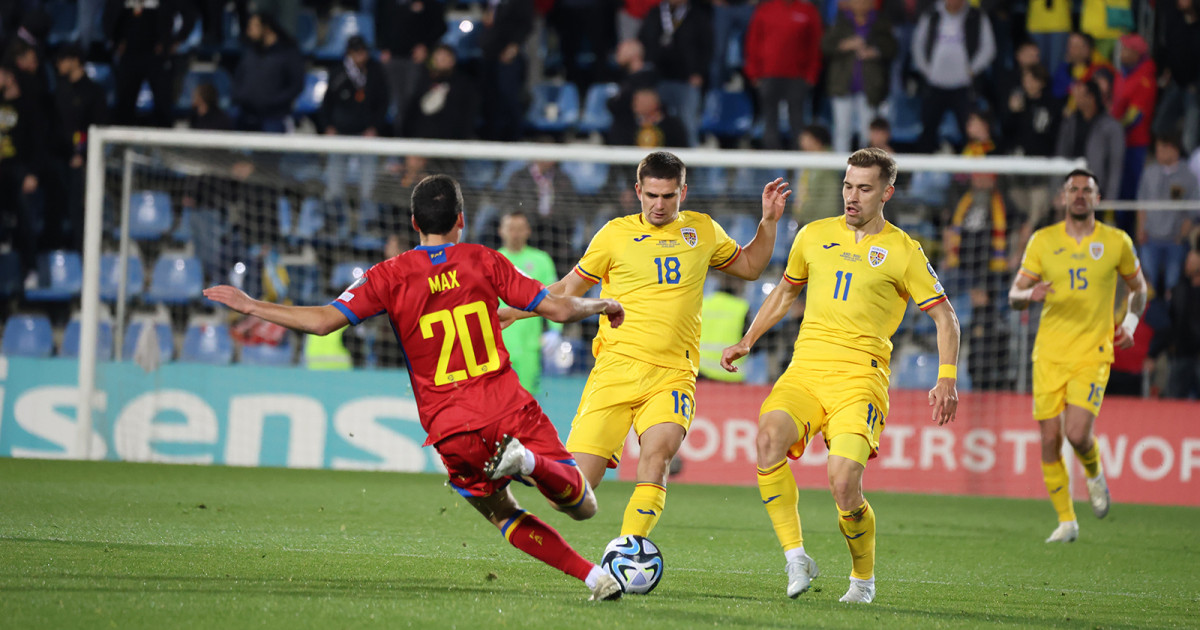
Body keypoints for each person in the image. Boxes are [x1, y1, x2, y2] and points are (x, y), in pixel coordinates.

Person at [203, 174, 626, 601]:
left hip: (451, 429)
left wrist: (253, 305)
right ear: (461, 219)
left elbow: (322, 322)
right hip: (507, 407)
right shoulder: (483, 259)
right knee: (583, 506)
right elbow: (557, 309)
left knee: (503, 514)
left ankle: (594, 578)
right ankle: (531, 463)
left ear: (413, 221)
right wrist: (603, 304)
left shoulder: (388, 275)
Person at [502, 151, 788, 548]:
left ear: (682, 192)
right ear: (638, 190)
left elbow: (751, 266)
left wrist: (768, 223)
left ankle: (629, 550)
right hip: (615, 370)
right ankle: (530, 464)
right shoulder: (614, 235)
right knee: (574, 491)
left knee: (656, 458)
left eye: (668, 196)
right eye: (651, 194)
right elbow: (568, 289)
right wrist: (517, 312)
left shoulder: (702, 230)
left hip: (672, 374)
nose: (659, 204)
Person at [719, 147, 959, 604]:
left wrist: (945, 377)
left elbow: (946, 317)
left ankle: (862, 580)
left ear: (886, 192)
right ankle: (796, 557)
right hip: (806, 369)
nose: (852, 196)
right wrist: (747, 340)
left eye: (864, 188)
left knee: (844, 482)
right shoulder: (813, 235)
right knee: (768, 438)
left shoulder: (904, 251)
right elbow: (785, 293)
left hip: (860, 379)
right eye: (848, 186)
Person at [1008, 168, 1148, 543]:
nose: (1081, 195)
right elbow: (1013, 294)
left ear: (1098, 198)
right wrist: (1030, 295)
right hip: (1049, 354)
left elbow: (1139, 289)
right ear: (1063, 197)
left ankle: (1094, 473)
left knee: (1077, 434)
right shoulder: (1043, 240)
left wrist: (1131, 323)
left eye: (1088, 190)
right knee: (1050, 439)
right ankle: (1067, 521)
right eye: (1074, 189)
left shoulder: (1117, 241)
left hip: (1093, 353)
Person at [910, 0, 995, 153]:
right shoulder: (931, 14)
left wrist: (972, 70)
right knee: (927, 131)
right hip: (934, 83)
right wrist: (927, 70)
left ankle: (971, 173)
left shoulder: (976, 16)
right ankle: (921, 173)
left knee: (970, 132)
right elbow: (918, 45)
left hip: (964, 84)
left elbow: (989, 48)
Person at [744, 0, 823, 151]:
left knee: (797, 122)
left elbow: (815, 45)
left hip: (797, 77)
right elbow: (753, 41)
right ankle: (774, 164)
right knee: (769, 120)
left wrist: (812, 74)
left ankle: (798, 165)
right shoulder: (765, 10)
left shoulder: (808, 11)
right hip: (768, 75)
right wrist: (753, 72)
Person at [497, 211, 561, 396]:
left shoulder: (542, 261)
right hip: (500, 344)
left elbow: (554, 296)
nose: (515, 234)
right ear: (501, 231)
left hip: (530, 347)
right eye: (511, 228)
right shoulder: (493, 260)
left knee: (527, 401)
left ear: (528, 231)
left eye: (519, 229)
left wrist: (554, 332)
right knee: (499, 401)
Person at [821, 0, 896, 154]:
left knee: (867, 132)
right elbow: (825, 45)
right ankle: (842, 172)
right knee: (842, 131)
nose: (860, 4)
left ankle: (865, 171)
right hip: (842, 84)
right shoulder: (840, 21)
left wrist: (875, 51)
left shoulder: (880, 22)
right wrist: (844, 45)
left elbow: (891, 47)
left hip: (869, 87)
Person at [232, 13, 305, 133]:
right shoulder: (250, 52)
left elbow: (296, 85)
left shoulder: (288, 53)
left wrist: (273, 102)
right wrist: (240, 96)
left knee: (271, 150)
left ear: (266, 28)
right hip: (246, 114)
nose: (249, 31)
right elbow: (239, 77)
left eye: (253, 27)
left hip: (274, 117)